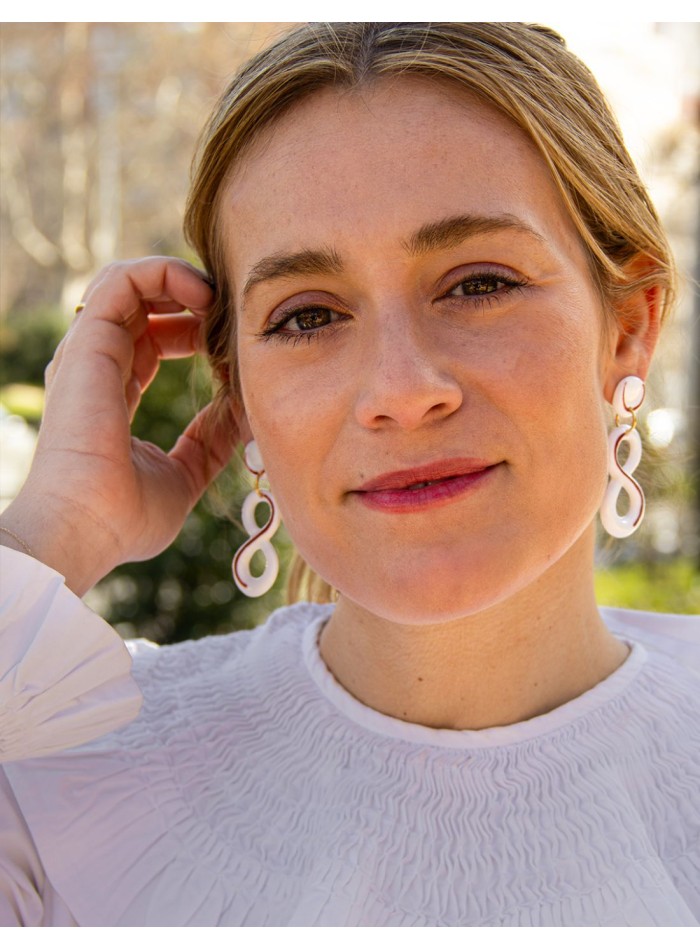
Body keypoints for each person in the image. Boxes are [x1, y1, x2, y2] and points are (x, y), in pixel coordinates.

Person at [0, 22, 698, 927]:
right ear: (238, 395)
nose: (401, 393)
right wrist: (51, 533)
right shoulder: (58, 789)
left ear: (630, 327)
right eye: (307, 317)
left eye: (478, 283)